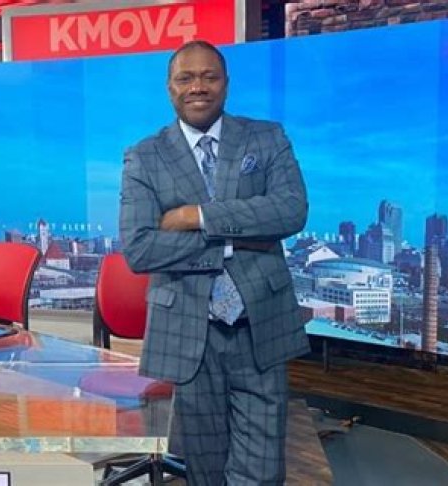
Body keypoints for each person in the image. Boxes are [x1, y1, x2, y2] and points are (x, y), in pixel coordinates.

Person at [119, 40, 310, 485]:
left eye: (209, 76)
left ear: (226, 83)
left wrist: (195, 216)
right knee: (205, 470)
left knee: (262, 472)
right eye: (185, 78)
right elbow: (140, 248)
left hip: (259, 327)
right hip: (188, 331)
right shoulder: (144, 156)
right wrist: (233, 242)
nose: (197, 86)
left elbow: (290, 211)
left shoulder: (266, 137)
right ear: (170, 88)